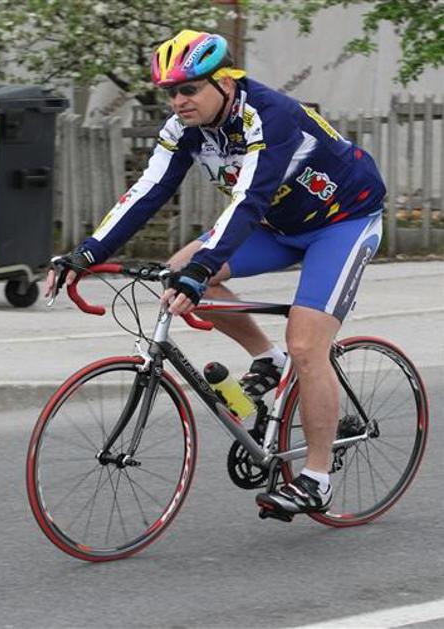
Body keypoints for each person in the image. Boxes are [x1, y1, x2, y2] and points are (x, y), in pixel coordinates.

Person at [45, 29, 385, 520]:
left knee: (307, 344)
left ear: (224, 82)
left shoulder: (269, 115)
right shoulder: (183, 128)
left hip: (343, 222)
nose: (178, 101)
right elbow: (148, 190)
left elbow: (249, 199)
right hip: (276, 226)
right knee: (177, 271)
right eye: (171, 92)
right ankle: (266, 358)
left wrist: (202, 269)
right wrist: (85, 253)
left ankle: (316, 479)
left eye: (189, 89)